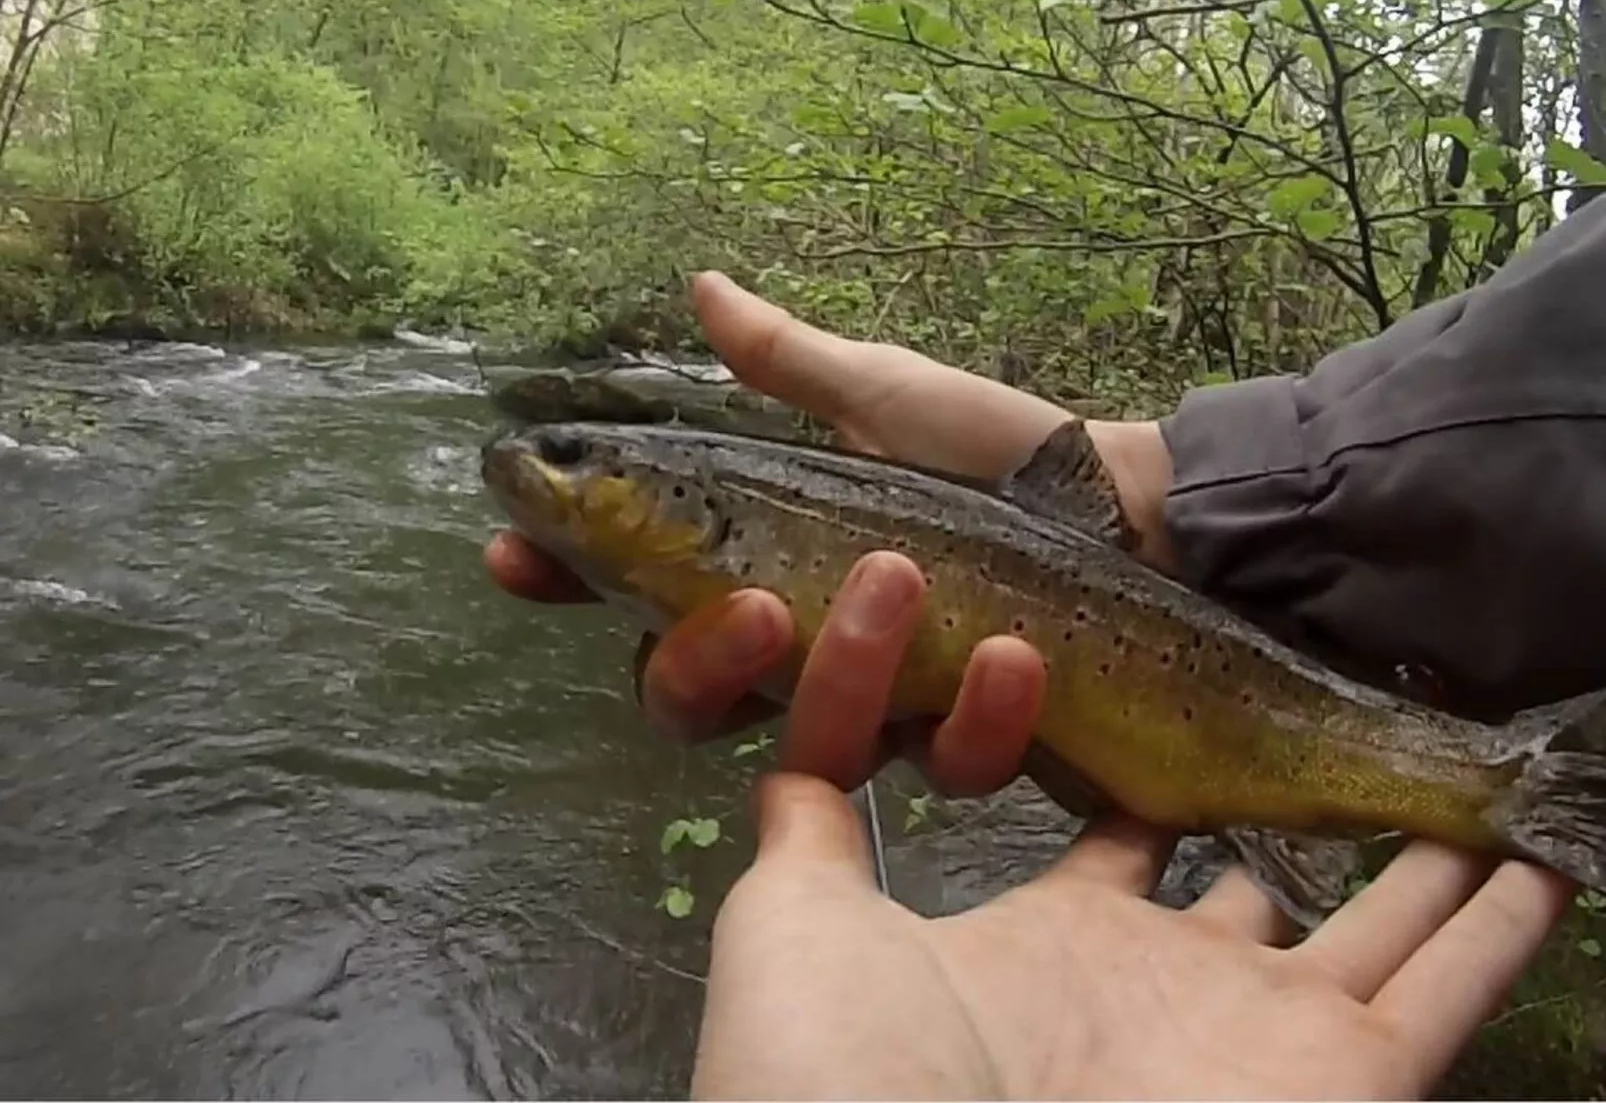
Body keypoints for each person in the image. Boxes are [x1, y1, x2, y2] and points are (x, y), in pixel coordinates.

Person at [483, 198, 1606, 1098]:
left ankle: (1500, 782)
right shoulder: (680, 553)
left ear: (694, 506)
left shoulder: (717, 535)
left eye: (576, 456)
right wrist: (1170, 488)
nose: (536, 465)